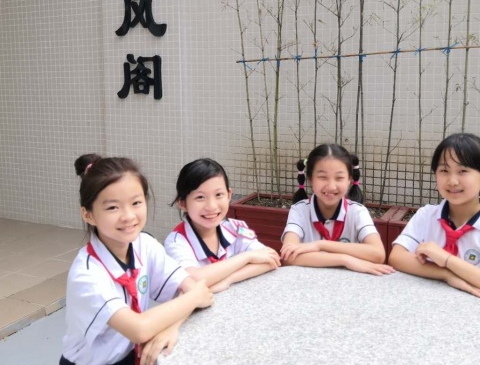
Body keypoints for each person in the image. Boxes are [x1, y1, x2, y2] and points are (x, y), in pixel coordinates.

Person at [61, 154, 214, 365]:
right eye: (113, 207)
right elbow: (140, 329)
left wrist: (172, 327)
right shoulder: (86, 275)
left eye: (136, 203)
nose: (129, 216)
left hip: (133, 355)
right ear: (89, 215)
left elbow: (190, 288)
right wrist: (195, 296)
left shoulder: (145, 245)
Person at [388, 133, 480, 309]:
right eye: (444, 171)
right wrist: (447, 274)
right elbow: (397, 257)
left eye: (463, 171)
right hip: (424, 309)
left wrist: (447, 259)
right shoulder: (426, 215)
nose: (452, 181)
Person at [164, 158, 280, 293]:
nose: (211, 206)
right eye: (200, 197)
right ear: (182, 203)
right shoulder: (176, 242)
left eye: (219, 195)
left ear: (229, 195)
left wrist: (228, 280)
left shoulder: (234, 228)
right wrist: (247, 257)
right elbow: (191, 280)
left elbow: (270, 259)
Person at [280, 144, 394, 276]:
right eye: (323, 177)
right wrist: (344, 259)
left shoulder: (358, 212)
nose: (331, 186)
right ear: (310, 179)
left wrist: (321, 245)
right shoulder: (299, 210)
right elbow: (288, 257)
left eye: (339, 178)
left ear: (350, 180)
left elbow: (378, 254)